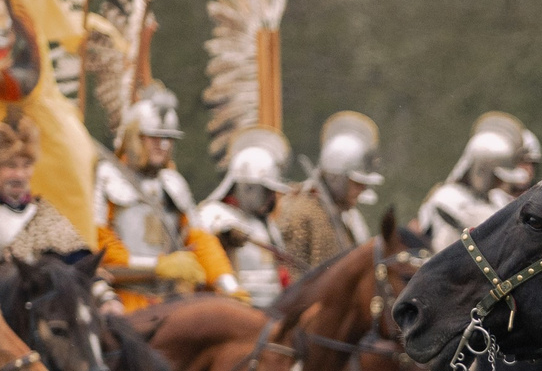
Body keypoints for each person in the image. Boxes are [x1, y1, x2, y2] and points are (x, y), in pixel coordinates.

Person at [94, 83, 227, 307]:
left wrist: (228, 285)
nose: (163, 145)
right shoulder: (107, 177)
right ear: (135, 137)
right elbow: (99, 244)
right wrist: (158, 265)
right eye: (154, 137)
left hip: (171, 300)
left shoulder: (173, 183)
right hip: (123, 299)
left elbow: (199, 239)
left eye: (169, 138)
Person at [0, 112, 90, 269]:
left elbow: (79, 262)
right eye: (11, 166)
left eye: (26, 166)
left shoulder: (44, 213)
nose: (20, 175)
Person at [270, 110, 380, 268]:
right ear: (337, 178)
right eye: (357, 183)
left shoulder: (349, 216)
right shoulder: (300, 212)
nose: (363, 189)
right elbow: (293, 276)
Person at [195, 132, 290, 308]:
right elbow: (207, 241)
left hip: (271, 309)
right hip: (231, 308)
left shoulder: (266, 224)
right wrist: (225, 234)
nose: (271, 197)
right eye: (266, 190)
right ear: (248, 187)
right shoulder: (213, 213)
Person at [413, 112, 531, 253]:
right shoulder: (446, 199)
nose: (501, 182)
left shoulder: (497, 200)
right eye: (497, 176)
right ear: (483, 170)